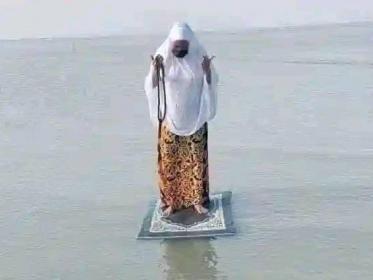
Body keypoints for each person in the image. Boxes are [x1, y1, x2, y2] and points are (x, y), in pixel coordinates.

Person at [144, 22, 218, 217]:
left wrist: (208, 71)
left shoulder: (199, 59)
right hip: (170, 120)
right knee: (170, 161)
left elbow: (212, 83)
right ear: (170, 45)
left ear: (189, 45)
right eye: (176, 47)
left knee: (196, 162)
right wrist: (154, 69)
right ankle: (172, 202)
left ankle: (198, 201)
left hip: (195, 120)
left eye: (183, 47)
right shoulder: (164, 59)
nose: (179, 50)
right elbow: (151, 86)